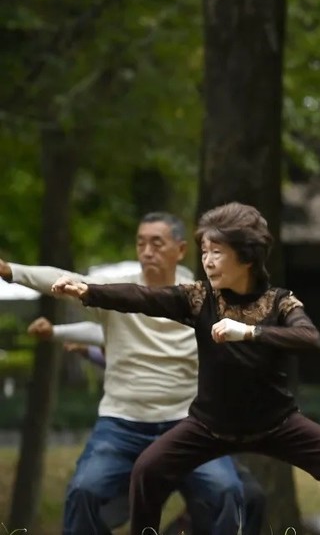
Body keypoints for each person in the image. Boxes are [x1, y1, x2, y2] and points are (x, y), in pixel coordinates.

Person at [50, 202, 320, 534]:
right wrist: (89, 291)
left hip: (276, 423)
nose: (208, 261)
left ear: (246, 257)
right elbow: (142, 297)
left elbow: (309, 338)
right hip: (209, 427)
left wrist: (248, 332)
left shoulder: (279, 302)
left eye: (217, 252)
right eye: (204, 252)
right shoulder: (200, 299)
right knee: (147, 471)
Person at [0, 212, 246, 535]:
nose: (147, 252)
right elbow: (64, 279)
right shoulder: (118, 293)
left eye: (157, 243)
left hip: (188, 426)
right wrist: (10, 270)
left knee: (228, 491)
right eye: (141, 243)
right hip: (121, 426)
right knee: (84, 491)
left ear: (181, 250)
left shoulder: (206, 300)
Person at [27, 317, 269, 535]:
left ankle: (193, 520)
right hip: (134, 434)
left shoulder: (197, 323)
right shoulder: (132, 334)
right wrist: (59, 334)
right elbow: (108, 340)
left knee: (241, 494)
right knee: (88, 493)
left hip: (190, 430)